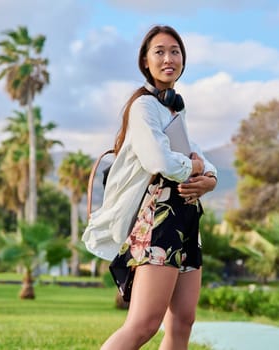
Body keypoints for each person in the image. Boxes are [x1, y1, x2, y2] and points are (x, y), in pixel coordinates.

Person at [82, 24, 217, 350]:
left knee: (183, 322)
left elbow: (198, 154)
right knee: (144, 324)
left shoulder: (173, 109)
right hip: (160, 218)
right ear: (145, 61)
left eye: (175, 51)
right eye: (159, 51)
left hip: (186, 220)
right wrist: (195, 168)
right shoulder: (144, 107)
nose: (168, 58)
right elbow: (161, 161)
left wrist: (208, 179)